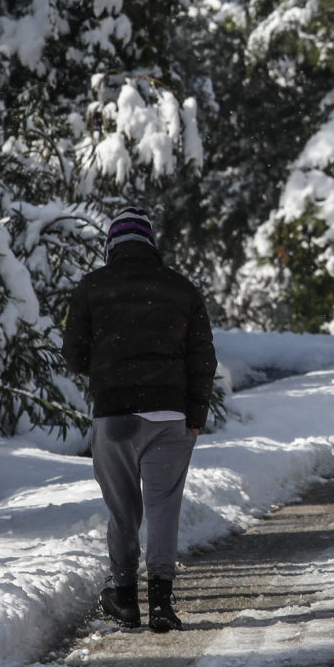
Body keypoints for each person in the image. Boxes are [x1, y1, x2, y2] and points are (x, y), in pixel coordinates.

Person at [62, 206, 216, 632]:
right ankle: (162, 602)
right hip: (170, 414)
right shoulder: (180, 289)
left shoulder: (92, 288)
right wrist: (195, 415)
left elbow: (74, 356)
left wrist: (111, 362)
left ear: (112, 247)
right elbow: (203, 358)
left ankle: (126, 598)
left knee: (123, 510)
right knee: (164, 507)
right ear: (150, 244)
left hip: (114, 416)